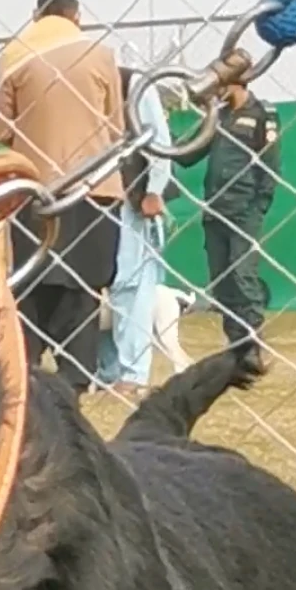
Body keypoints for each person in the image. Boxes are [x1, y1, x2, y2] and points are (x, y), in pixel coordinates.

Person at [0, 0, 124, 396]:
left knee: (31, 280)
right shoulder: (101, 55)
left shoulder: (15, 54)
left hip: (34, 189)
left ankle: (26, 367)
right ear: (76, 15)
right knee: (84, 286)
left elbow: (0, 128)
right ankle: (77, 371)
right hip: (93, 187)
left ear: (36, 13)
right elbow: (115, 124)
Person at [182, 72, 279, 367]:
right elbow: (187, 154)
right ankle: (235, 346)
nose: (215, 91)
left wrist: (258, 207)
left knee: (243, 276)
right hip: (215, 210)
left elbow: (270, 165)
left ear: (235, 83)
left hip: (243, 211)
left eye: (219, 86)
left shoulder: (263, 114)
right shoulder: (218, 116)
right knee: (222, 281)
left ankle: (251, 346)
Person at [97, 69, 174, 396]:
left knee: (132, 284)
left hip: (131, 198)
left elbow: (157, 140)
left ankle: (133, 372)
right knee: (100, 284)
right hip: (94, 198)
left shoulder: (132, 83)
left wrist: (154, 189)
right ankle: (108, 369)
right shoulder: (75, 84)